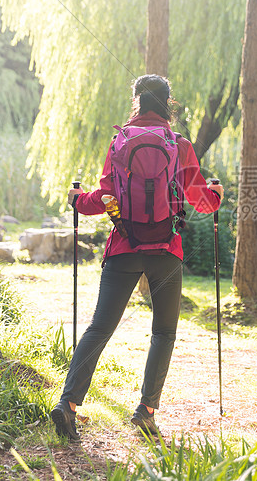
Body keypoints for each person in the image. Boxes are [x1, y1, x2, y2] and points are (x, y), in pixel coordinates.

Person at [51, 75, 223, 441]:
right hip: (165, 249)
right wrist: (216, 194)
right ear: (168, 104)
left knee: (99, 328)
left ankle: (67, 404)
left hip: (123, 246)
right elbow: (201, 201)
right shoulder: (180, 145)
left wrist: (76, 201)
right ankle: (145, 410)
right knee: (163, 331)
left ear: (137, 103)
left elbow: (103, 197)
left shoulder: (120, 142)